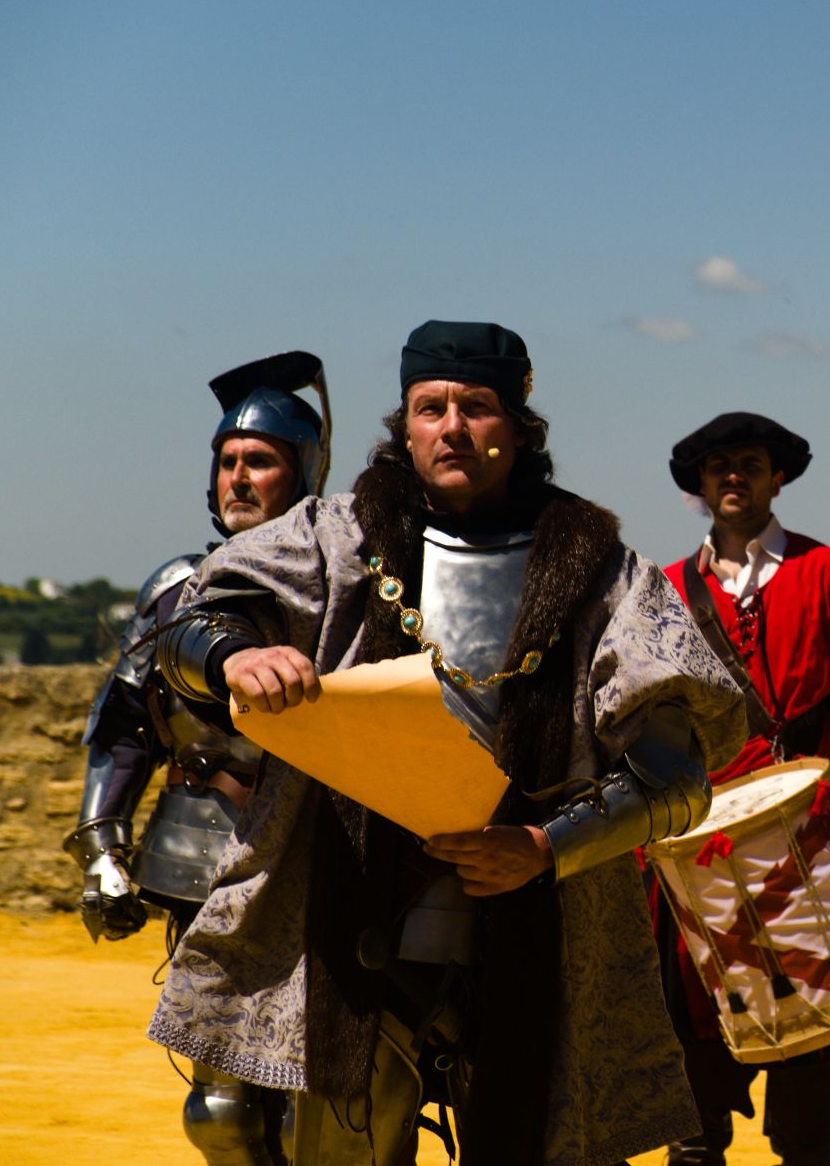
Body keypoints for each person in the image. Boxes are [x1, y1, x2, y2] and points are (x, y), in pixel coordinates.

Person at [143, 320, 747, 1166]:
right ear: (406, 424)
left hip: (543, 920)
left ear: (519, 427)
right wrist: (234, 655)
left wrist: (544, 845)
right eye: (431, 408)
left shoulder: (607, 572)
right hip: (349, 912)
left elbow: (677, 776)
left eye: (477, 407)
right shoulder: (331, 537)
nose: (452, 427)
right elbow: (188, 630)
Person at [63, 351, 332, 1166]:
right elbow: (123, 727)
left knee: (319, 1111)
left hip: (322, 860)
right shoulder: (178, 587)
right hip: (200, 850)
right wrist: (102, 852)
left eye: (261, 460)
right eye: (228, 460)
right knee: (220, 1111)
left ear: (304, 471)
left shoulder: (343, 586)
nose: (239, 477)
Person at [658, 412, 830, 1166]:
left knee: (813, 1013)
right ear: (701, 484)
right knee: (695, 1018)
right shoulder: (665, 589)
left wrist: (806, 775)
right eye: (719, 466)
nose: (734, 476)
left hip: (801, 837)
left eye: (751, 463)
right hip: (699, 839)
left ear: (777, 477)